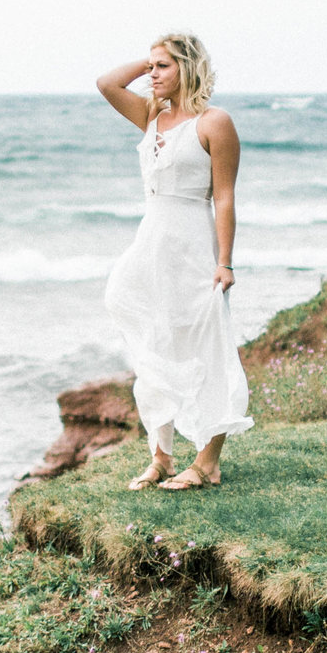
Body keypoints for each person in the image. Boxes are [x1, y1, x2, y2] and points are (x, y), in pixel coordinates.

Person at [96, 33, 253, 490]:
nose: (152, 75)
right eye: (150, 66)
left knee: (207, 343)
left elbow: (223, 198)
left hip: (193, 244)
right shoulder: (151, 115)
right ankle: (161, 456)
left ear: (187, 67)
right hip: (151, 244)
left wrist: (225, 262)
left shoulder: (214, 122)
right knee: (152, 340)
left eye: (163, 66)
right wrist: (148, 64)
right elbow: (106, 84)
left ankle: (207, 462)